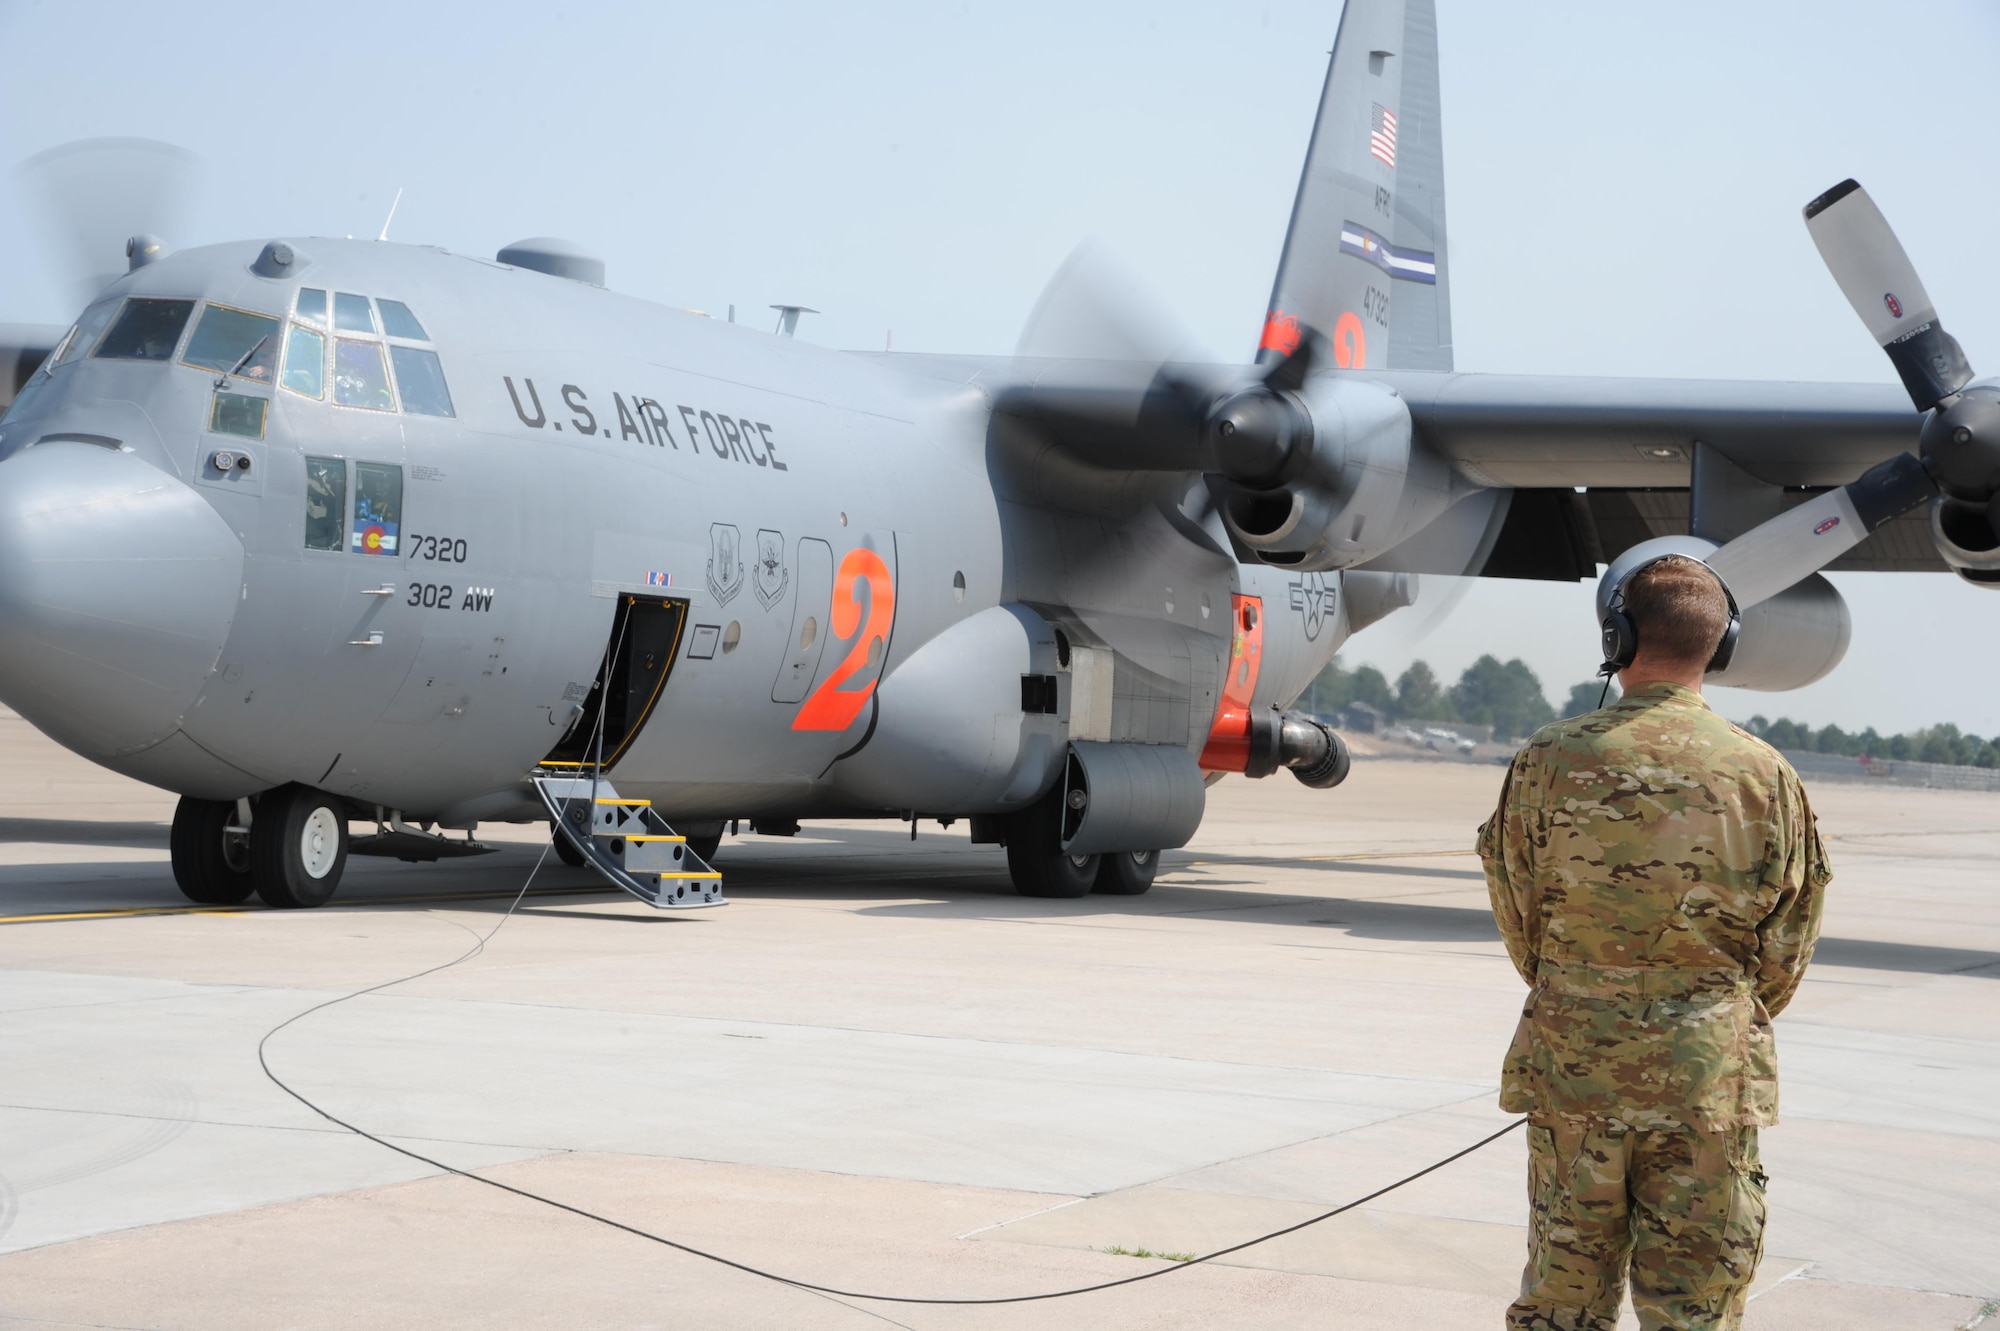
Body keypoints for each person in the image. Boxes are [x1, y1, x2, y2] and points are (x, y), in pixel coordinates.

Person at [1477, 553, 1831, 1331]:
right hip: (1705, 1083)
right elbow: (1789, 940)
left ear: (1619, 634)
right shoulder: (1764, 775)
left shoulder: (1548, 759)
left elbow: (1517, 907)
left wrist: (1583, 988)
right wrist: (1708, 1011)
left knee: (1563, 1305)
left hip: (1575, 1075)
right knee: (1694, 1311)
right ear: (1721, 644)